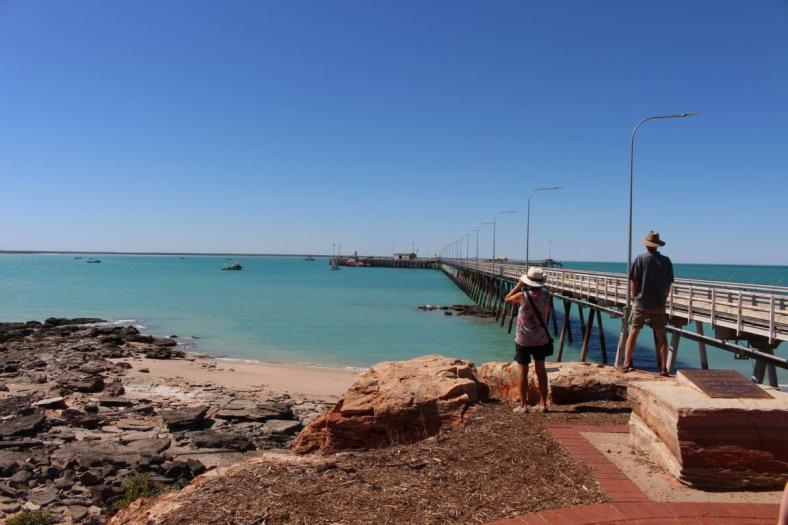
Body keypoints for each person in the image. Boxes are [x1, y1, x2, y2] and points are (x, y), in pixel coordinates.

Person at [623, 230, 674, 375]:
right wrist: (663, 299)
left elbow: (634, 281)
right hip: (658, 304)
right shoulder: (666, 261)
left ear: (646, 245)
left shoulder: (640, 259)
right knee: (661, 335)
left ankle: (627, 364)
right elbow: (669, 284)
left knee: (634, 331)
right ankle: (664, 368)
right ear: (657, 245)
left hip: (641, 302)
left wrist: (634, 297)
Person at [504, 267, 553, 413]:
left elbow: (506, 299)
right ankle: (543, 404)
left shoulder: (522, 295)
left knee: (523, 371)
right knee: (541, 370)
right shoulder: (546, 296)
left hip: (523, 340)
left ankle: (523, 406)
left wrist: (518, 285)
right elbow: (547, 311)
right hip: (541, 338)